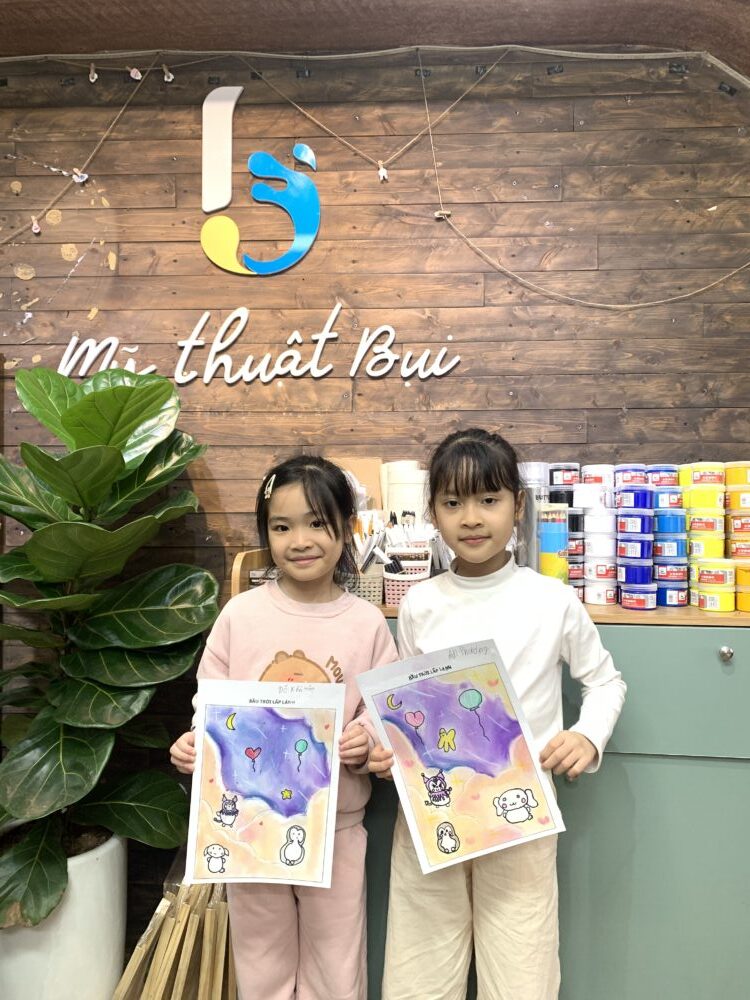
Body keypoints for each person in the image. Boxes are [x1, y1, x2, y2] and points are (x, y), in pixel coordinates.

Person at [369, 428, 626, 1000]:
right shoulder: (420, 603)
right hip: (433, 813)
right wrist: (392, 750)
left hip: (520, 818)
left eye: (489, 499)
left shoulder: (552, 600)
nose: (472, 518)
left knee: (521, 970)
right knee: (418, 970)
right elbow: (406, 705)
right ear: (433, 513)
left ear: (518, 505)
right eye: (452, 502)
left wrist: (587, 735)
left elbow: (606, 681)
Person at [170, 455, 397, 1000]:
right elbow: (211, 701)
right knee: (260, 955)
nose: (301, 540)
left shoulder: (366, 623)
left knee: (336, 960)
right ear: (266, 533)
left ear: (346, 527)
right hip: (250, 821)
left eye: (317, 523)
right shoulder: (240, 615)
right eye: (282, 526)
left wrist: (367, 737)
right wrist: (196, 743)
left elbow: (385, 711)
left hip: (336, 825)